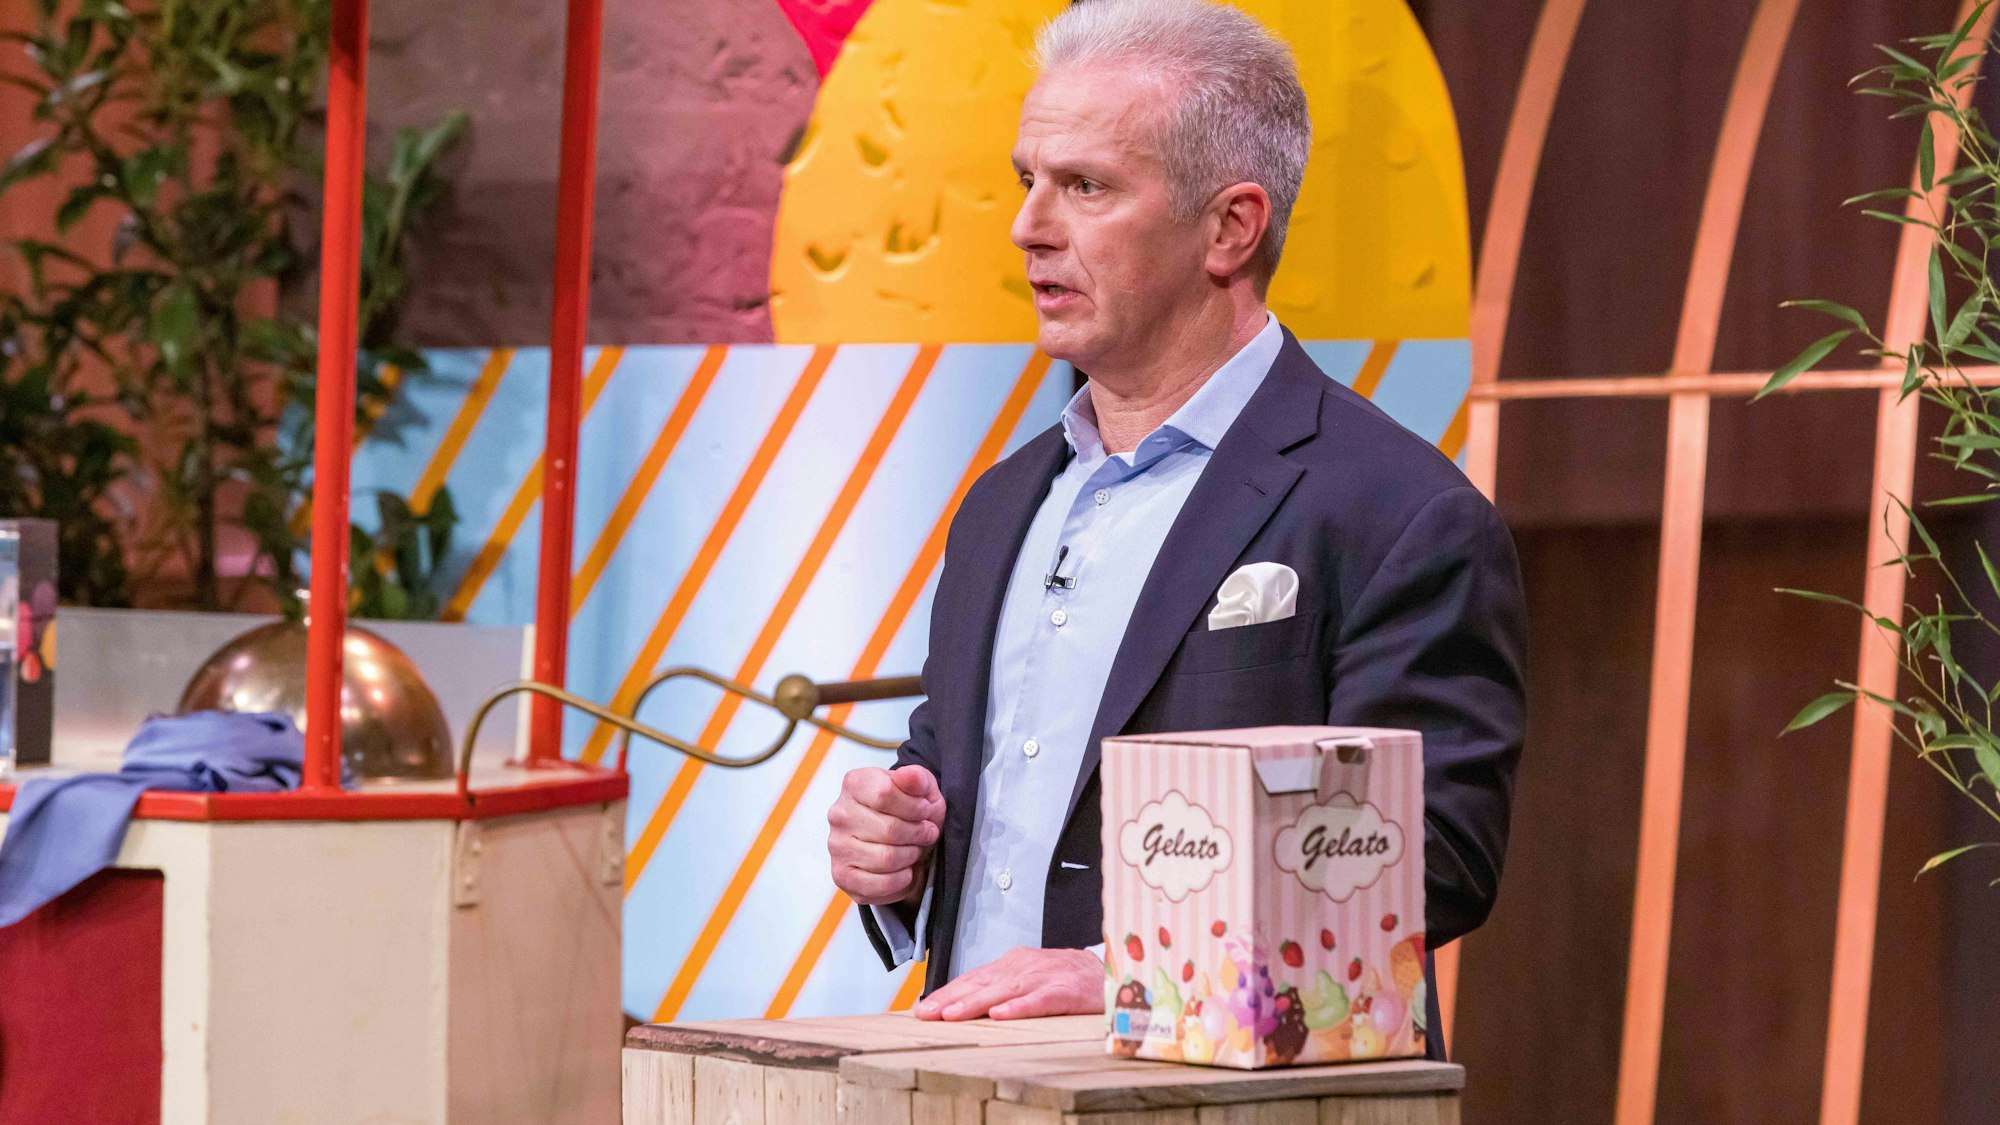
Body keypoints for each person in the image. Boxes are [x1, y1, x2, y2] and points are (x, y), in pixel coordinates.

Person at [824, 0, 1526, 1052]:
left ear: (1229, 227)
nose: (1028, 225)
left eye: (1086, 187)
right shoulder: (1001, 503)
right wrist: (897, 842)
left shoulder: (1397, 513)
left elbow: (1431, 857)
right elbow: (967, 782)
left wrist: (1124, 974)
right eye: (1029, 180)